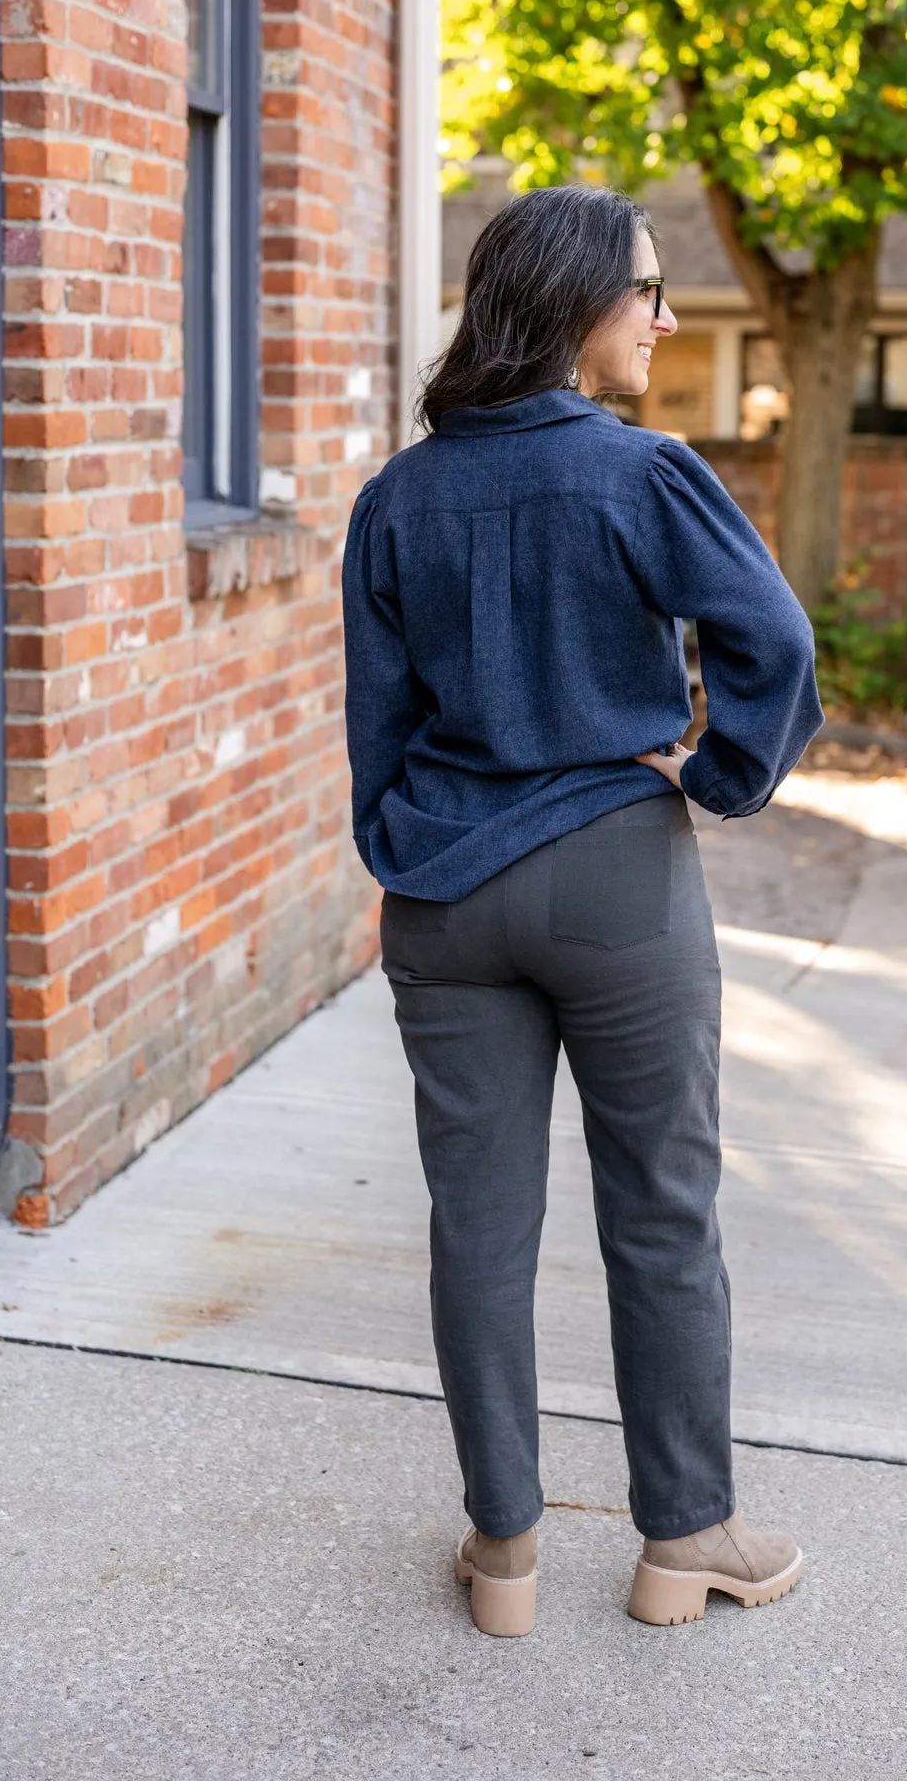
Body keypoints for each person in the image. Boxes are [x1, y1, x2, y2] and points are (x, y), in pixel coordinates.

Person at [342, 184, 823, 1637]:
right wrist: (725, 775)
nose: (667, 321)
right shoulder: (641, 474)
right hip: (617, 871)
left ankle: (503, 1557)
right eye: (651, 293)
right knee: (663, 1216)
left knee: (475, 1228)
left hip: (446, 889)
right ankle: (688, 1540)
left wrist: (404, 843)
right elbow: (775, 639)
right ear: (572, 306)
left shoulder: (395, 499)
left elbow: (378, 724)